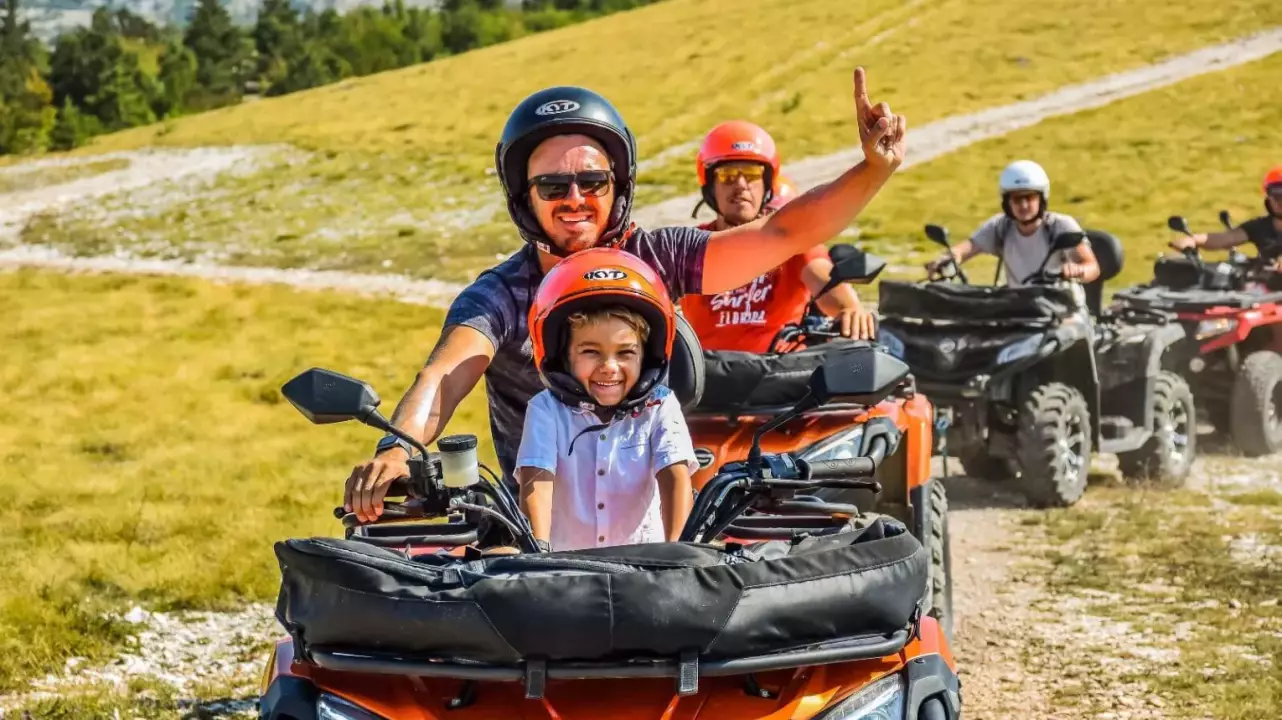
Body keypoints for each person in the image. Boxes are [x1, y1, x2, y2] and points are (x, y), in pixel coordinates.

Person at [344, 67, 907, 522]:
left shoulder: (656, 259)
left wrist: (871, 170)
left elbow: (783, 234)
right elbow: (444, 377)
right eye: (551, 185)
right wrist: (397, 449)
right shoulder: (499, 295)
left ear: (618, 187)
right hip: (535, 534)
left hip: (661, 524)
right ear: (524, 196)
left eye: (592, 182)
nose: (574, 198)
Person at [516, 248, 696, 551]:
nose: (609, 367)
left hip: (644, 568)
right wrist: (539, 550)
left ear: (647, 356)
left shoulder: (661, 405)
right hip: (564, 568)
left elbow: (675, 476)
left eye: (625, 353)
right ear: (564, 357)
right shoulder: (546, 408)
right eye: (590, 352)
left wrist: (678, 550)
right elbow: (537, 479)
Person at [678, 122, 877, 351]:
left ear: (767, 184)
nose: (741, 185)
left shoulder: (792, 240)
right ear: (711, 185)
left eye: (752, 174)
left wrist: (849, 309)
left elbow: (824, 279)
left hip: (781, 375)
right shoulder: (690, 246)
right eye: (728, 175)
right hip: (708, 377)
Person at [925, 160, 1101, 287]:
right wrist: (947, 259)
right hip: (1019, 310)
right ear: (1007, 202)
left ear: (1042, 198)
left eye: (1029, 198)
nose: (1023, 205)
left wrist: (1077, 270)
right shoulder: (1001, 226)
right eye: (1017, 199)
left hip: (1063, 313)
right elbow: (968, 247)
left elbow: (1092, 267)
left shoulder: (1060, 226)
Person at [1168, 165, 1282, 265]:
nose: (1280, 202)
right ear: (1269, 198)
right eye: (1277, 196)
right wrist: (1193, 240)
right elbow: (1227, 238)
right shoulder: (1259, 226)